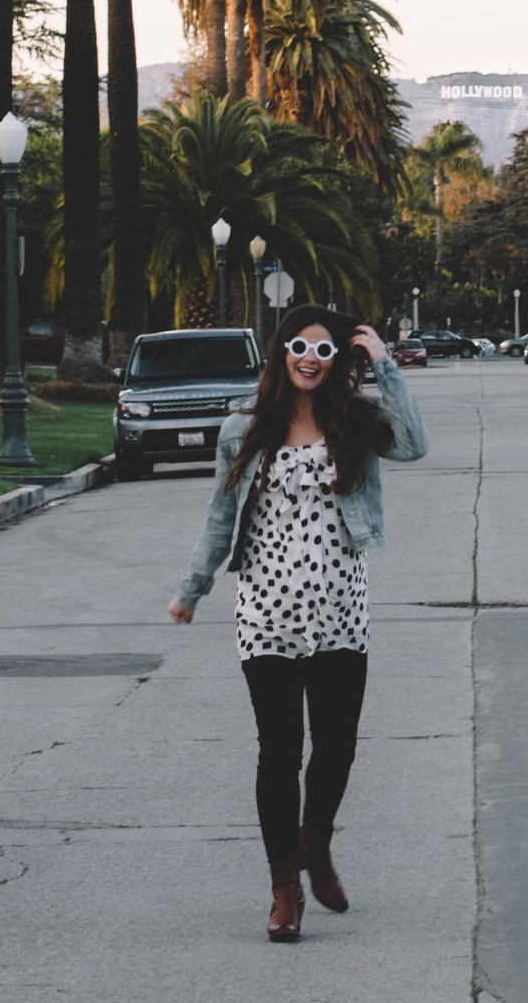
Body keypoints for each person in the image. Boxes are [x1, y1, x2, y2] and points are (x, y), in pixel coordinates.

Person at [169, 306, 428, 942]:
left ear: (341, 360)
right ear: (281, 351)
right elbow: (218, 517)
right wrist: (191, 590)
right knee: (279, 751)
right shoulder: (244, 429)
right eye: (299, 346)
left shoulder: (358, 421)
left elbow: (416, 445)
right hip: (268, 614)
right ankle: (285, 889)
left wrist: (386, 365)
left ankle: (316, 843)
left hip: (341, 611)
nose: (310, 358)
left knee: (337, 744)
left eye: (325, 350)